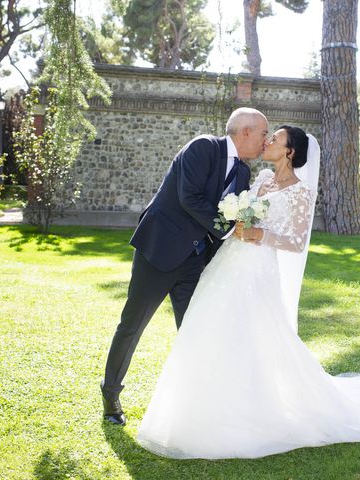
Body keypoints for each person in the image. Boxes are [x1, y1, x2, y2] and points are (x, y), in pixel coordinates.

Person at [135, 126, 360, 459]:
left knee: (255, 336)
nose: (268, 140)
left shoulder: (300, 191)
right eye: (268, 135)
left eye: (276, 138)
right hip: (228, 264)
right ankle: (205, 403)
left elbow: (297, 241)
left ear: (289, 151)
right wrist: (238, 225)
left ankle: (251, 406)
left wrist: (261, 236)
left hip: (257, 270)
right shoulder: (259, 179)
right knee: (212, 330)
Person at [100, 108, 270, 426]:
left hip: (196, 260)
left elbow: (228, 217)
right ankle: (110, 395)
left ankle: (198, 404)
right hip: (159, 251)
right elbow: (189, 197)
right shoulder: (203, 147)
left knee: (196, 329)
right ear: (246, 131)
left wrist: (224, 257)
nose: (266, 140)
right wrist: (233, 229)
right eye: (264, 133)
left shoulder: (244, 175)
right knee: (132, 325)